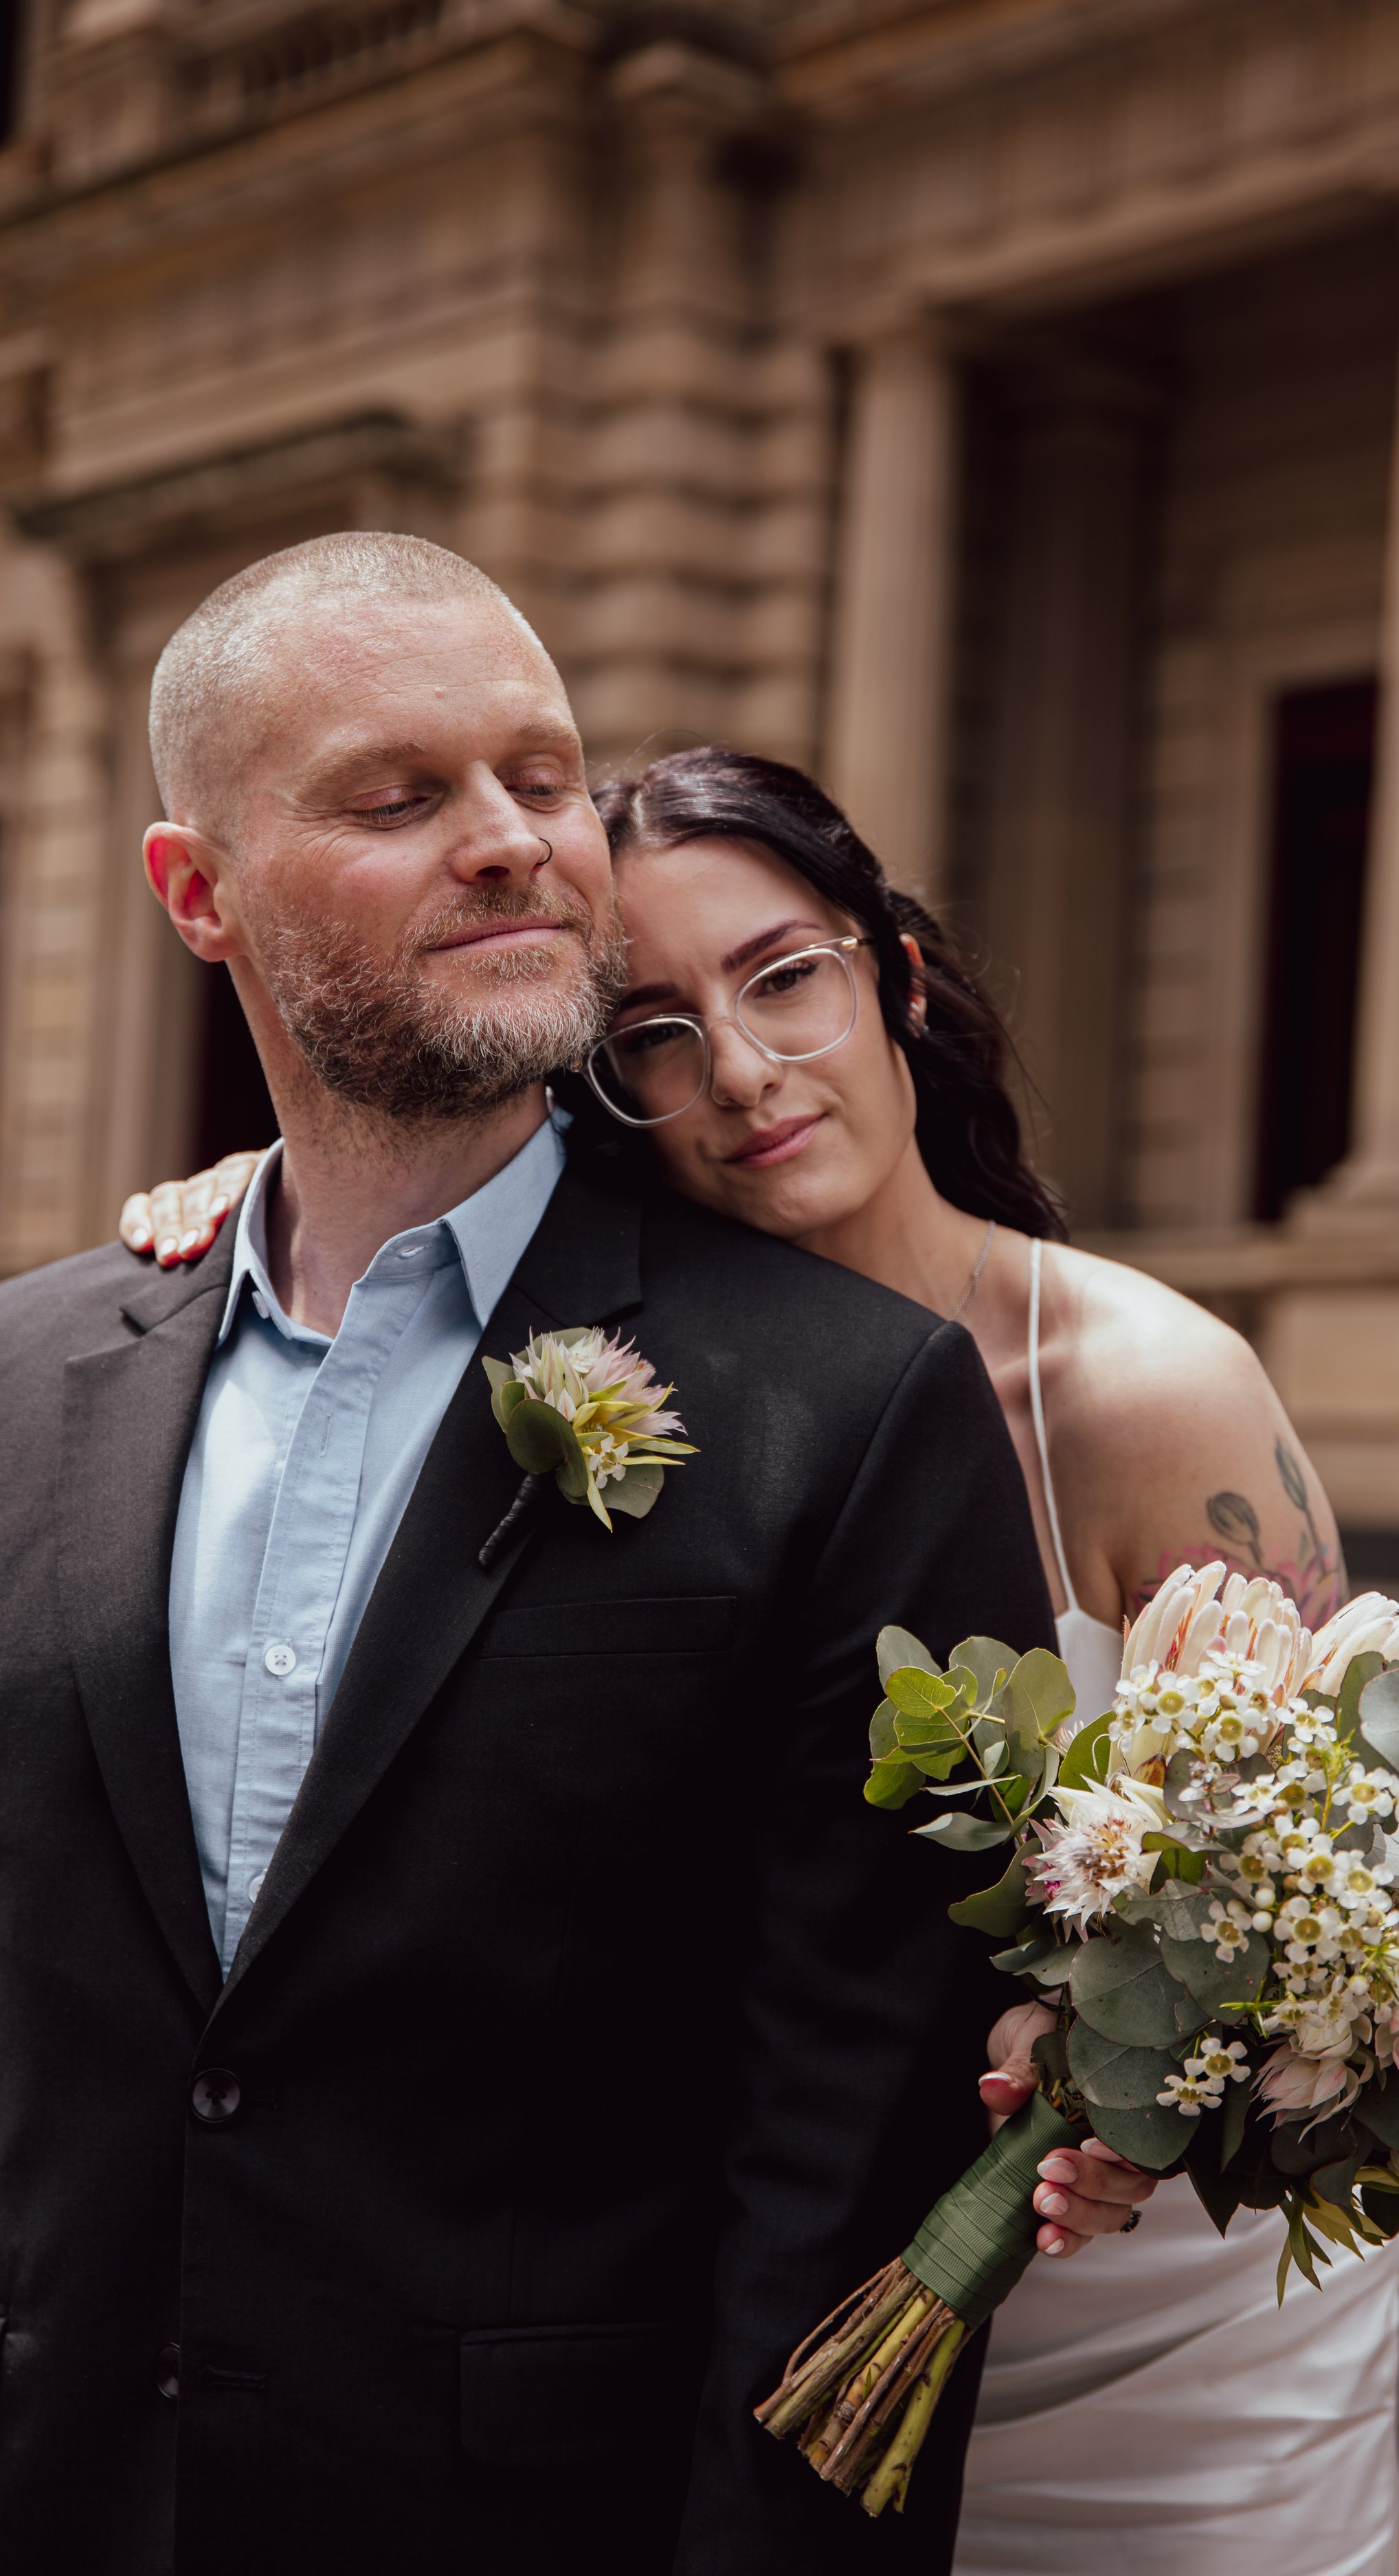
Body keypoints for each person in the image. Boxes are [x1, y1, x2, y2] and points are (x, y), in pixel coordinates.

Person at [128, 745, 1399, 2575]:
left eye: (783, 976)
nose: (738, 1074)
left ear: (889, 973)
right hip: (753, 2309)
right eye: (649, 1032)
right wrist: (282, 1186)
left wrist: (1121, 2057)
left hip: (1138, 2319)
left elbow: (1321, 1896)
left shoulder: (1137, 1393)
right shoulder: (614, 1383)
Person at [0, 537, 1055, 2576]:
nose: (508, 844)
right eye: (398, 801)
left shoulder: (852, 1409)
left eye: (542, 778)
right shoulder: (27, 1376)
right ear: (196, 893)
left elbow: (843, 2176)